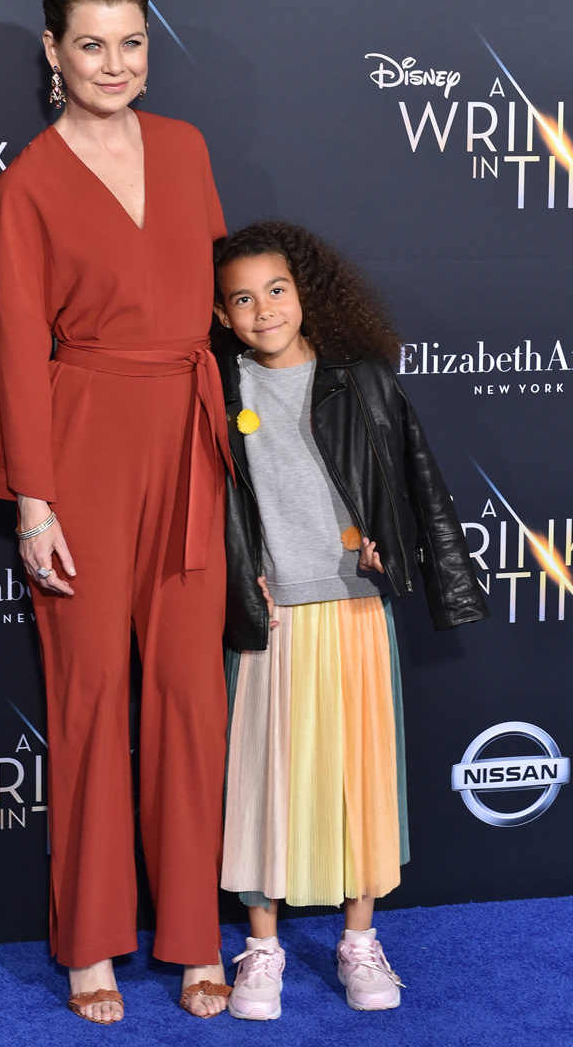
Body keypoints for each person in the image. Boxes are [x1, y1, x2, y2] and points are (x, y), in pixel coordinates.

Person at [0, 0, 232, 1024]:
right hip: (82, 447)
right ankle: (88, 946)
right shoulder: (29, 182)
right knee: (85, 700)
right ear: (52, 54)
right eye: (91, 45)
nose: (114, 64)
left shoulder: (187, 148)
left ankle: (194, 934)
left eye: (131, 43)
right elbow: (11, 349)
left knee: (190, 696)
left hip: (189, 440)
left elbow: (220, 312)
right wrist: (34, 502)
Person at [211, 221, 488, 1020]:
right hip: (269, 617)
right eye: (242, 299)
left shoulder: (363, 380)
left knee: (359, 778)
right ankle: (262, 948)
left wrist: (392, 551)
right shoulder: (218, 389)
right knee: (261, 778)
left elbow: (415, 483)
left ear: (305, 293)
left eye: (276, 290)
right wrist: (236, 576)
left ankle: (358, 940)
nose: (263, 310)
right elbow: (204, 502)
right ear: (221, 314)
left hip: (355, 607)